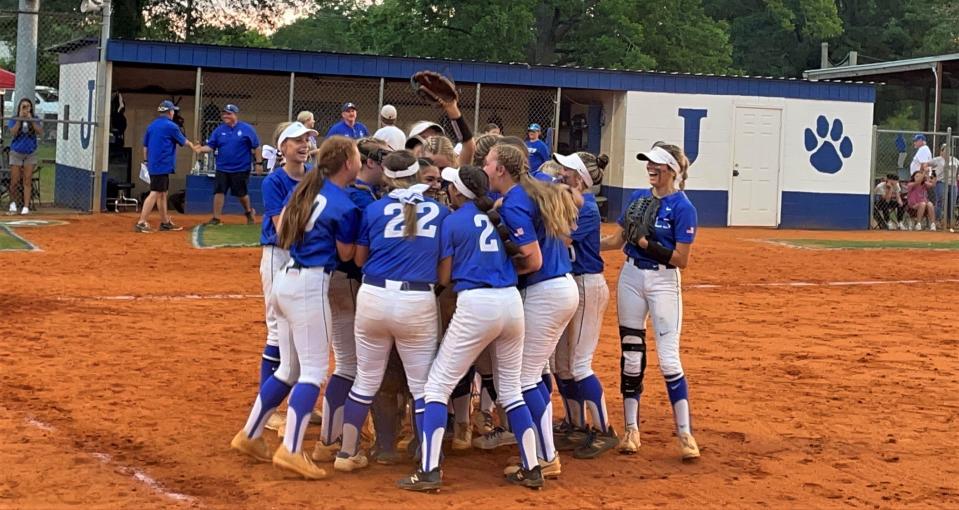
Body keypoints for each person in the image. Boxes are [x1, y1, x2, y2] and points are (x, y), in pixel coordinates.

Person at [397, 166, 542, 491]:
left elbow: (445, 277)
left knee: (436, 387)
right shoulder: (495, 215)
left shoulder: (453, 220)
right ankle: (532, 467)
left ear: (459, 191)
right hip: (510, 302)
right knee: (511, 391)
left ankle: (429, 471)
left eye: (451, 185)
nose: (447, 189)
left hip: (477, 304)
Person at [230, 136, 362, 480]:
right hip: (310, 284)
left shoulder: (306, 188)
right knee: (314, 372)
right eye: (357, 156)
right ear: (347, 163)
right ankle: (290, 449)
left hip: (286, 277)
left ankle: (251, 433)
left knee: (288, 368)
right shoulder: (344, 204)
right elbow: (348, 255)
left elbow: (286, 229)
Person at [335, 150, 449, 473]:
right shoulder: (439, 212)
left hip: (373, 295)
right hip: (417, 300)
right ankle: (429, 456)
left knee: (365, 380)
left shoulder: (373, 209)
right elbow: (443, 272)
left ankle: (346, 453)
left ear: (386, 176)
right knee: (423, 386)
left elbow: (358, 260)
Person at [479, 143, 579, 480]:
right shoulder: (528, 190)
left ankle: (545, 457)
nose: (484, 166)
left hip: (545, 290)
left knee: (521, 379)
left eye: (488, 162)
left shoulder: (516, 201)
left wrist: (501, 272)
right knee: (531, 376)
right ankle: (544, 452)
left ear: (501, 170)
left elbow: (532, 261)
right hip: (559, 287)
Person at [599, 143, 700, 461]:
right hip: (631, 277)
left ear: (672, 169)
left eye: (657, 164)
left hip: (663, 281)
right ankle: (631, 428)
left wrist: (645, 242)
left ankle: (684, 433)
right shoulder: (637, 199)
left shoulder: (683, 207)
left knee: (669, 359)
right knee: (631, 354)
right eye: (649, 163)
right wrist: (581, 243)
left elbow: (681, 259)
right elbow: (617, 239)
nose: (650, 168)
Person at [310, 137, 392, 465]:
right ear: (369, 163)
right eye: (382, 160)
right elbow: (355, 256)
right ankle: (332, 440)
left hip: (336, 282)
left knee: (350, 363)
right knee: (349, 365)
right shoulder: (356, 197)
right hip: (347, 282)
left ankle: (334, 437)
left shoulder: (353, 193)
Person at [550, 152, 617, 459]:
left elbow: (563, 238)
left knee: (579, 365)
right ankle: (576, 424)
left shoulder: (586, 207)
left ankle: (604, 430)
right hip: (571, 284)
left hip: (587, 284)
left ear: (579, 177)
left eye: (567, 170)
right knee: (560, 365)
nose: (561, 173)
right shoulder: (573, 201)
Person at [257, 122, 311, 434]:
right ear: (282, 148)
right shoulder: (274, 181)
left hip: (305, 258)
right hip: (279, 255)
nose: (303, 145)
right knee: (277, 330)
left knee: (304, 331)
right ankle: (269, 408)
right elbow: (283, 229)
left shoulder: (314, 176)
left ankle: (296, 401)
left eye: (306, 140)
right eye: (296, 141)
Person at [135, 100, 197, 233]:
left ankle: (165, 222)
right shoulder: (171, 126)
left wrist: (146, 162)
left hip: (154, 164)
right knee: (155, 192)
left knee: (162, 193)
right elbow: (183, 141)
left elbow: (145, 147)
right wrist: (194, 146)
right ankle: (141, 222)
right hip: (162, 164)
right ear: (170, 112)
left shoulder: (151, 126)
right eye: (173, 111)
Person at [194, 104, 261, 225]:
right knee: (219, 191)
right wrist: (200, 149)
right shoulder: (219, 130)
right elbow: (211, 146)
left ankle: (248, 212)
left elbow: (256, 147)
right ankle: (216, 218)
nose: (226, 116)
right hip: (222, 167)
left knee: (241, 194)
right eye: (224, 113)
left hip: (241, 168)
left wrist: (259, 163)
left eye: (229, 113)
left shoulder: (247, 129)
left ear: (235, 115)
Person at [7, 98, 42, 215]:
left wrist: (30, 119)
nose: (26, 109)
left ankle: (26, 207)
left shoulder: (35, 118)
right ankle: (13, 203)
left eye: (28, 107)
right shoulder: (14, 118)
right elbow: (13, 132)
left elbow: (39, 131)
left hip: (30, 153)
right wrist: (20, 118)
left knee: (27, 180)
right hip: (16, 152)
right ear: (19, 108)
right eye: (23, 107)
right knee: (15, 180)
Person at [930, 144, 959, 225]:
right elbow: (926, 166)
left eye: (949, 149)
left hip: (953, 183)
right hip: (941, 182)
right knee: (941, 200)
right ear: (941, 151)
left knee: (952, 202)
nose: (948, 151)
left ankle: (949, 222)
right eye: (945, 149)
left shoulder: (955, 160)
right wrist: (932, 177)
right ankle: (936, 221)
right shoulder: (936, 160)